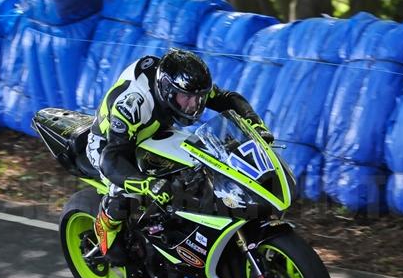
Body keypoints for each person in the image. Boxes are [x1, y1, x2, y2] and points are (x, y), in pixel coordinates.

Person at [86, 48, 273, 265]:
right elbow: (112, 159)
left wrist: (255, 123)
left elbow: (226, 98)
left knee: (198, 166)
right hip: (109, 145)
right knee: (127, 197)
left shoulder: (182, 84)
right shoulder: (133, 104)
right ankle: (105, 225)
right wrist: (146, 184)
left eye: (198, 98)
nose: (193, 106)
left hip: (153, 133)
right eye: (187, 99)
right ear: (166, 89)